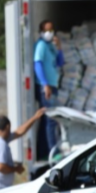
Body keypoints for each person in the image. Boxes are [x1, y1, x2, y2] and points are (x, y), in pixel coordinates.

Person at [33, 19, 64, 160]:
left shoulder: (51, 46)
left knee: (49, 120)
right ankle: (52, 152)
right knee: (51, 120)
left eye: (51, 30)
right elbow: (37, 64)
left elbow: (60, 62)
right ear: (41, 32)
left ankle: (45, 151)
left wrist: (59, 48)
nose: (49, 33)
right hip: (46, 87)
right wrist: (44, 84)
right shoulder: (40, 45)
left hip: (53, 86)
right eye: (46, 30)